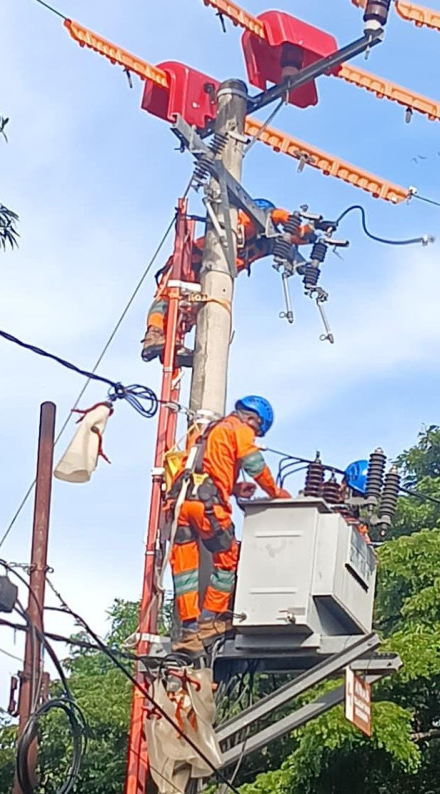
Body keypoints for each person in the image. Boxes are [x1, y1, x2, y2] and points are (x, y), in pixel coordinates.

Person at [170, 395, 291, 653]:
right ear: (253, 419)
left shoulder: (205, 432)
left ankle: (188, 629)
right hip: (208, 507)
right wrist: (275, 492)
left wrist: (234, 488)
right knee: (227, 558)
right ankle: (210, 620)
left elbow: (203, 468)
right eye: (257, 429)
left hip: (180, 505)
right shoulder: (240, 429)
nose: (254, 433)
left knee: (185, 568)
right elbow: (254, 464)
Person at [141, 200, 313, 365]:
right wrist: (289, 220)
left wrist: (310, 231)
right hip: (191, 261)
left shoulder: (260, 244)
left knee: (189, 313)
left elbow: (289, 239)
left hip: (208, 276)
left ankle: (172, 351)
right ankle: (154, 334)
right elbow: (274, 215)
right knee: (167, 299)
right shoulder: (242, 222)